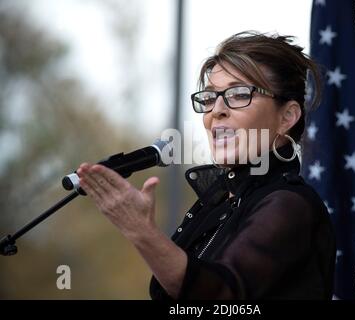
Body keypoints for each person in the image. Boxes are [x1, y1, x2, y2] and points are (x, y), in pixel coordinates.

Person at [77, 31, 336, 300]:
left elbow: (220, 298)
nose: (216, 111)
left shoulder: (289, 204)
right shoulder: (220, 202)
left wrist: (141, 231)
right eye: (210, 97)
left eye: (238, 94)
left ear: (287, 117)